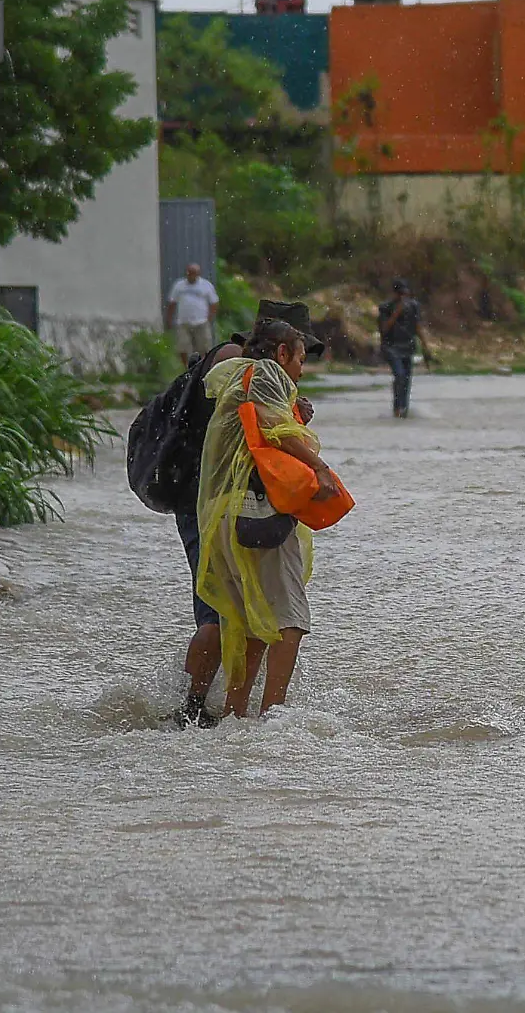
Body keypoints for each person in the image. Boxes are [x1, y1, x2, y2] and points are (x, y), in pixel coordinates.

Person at [171, 301, 325, 728]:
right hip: (254, 508)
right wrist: (320, 468)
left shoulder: (229, 369)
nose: (302, 367)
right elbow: (271, 430)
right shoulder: (263, 374)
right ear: (282, 349)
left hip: (213, 508)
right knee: (288, 621)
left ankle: (224, 716)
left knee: (244, 621)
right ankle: (269, 720)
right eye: (301, 355)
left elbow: (253, 422)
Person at [378, 278, 435, 418]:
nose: (404, 298)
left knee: (407, 380)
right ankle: (397, 408)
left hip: (408, 347)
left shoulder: (413, 306)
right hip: (391, 347)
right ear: (395, 294)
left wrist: (425, 346)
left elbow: (417, 326)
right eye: (401, 294)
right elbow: (384, 329)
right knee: (400, 376)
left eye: (405, 294)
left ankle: (403, 409)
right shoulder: (385, 307)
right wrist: (396, 313)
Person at [167, 263, 220, 368]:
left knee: (204, 347)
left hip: (201, 322)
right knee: (183, 347)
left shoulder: (206, 285)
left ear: (198, 274)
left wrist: (210, 317)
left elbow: (214, 302)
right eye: (190, 273)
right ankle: (186, 368)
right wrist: (169, 318)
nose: (191, 275)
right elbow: (172, 303)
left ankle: (203, 367)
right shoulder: (179, 285)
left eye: (194, 273)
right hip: (183, 322)